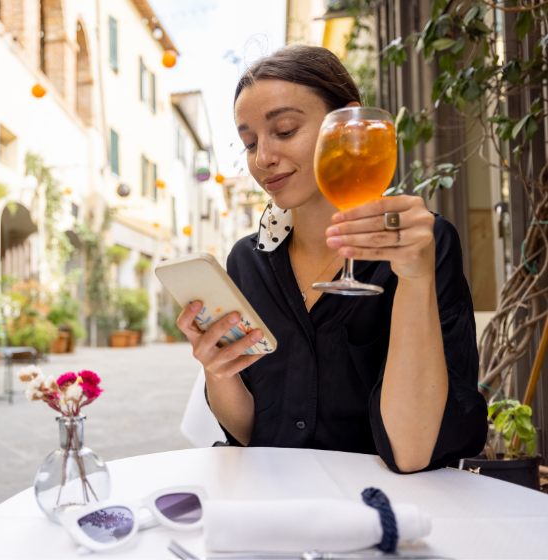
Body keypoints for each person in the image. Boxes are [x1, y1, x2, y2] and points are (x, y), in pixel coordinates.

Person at [177, 44, 487, 473]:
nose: (262, 157)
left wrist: (415, 281)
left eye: (284, 130)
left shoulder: (421, 244)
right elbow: (252, 435)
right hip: (272, 504)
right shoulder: (248, 261)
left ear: (348, 125)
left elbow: (413, 451)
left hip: (382, 514)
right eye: (249, 142)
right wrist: (219, 369)